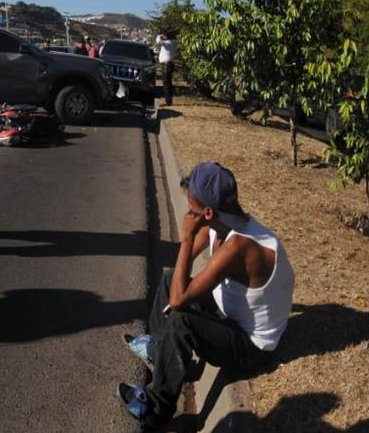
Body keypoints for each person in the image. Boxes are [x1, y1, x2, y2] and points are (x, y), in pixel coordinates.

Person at [117, 162, 295, 428]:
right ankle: (159, 350)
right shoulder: (220, 223)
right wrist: (192, 238)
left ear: (208, 212)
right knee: (171, 279)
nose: (189, 215)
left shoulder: (238, 246)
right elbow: (182, 270)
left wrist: (187, 237)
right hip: (230, 314)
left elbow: (178, 300)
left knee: (181, 319)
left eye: (192, 209)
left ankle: (156, 408)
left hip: (250, 348)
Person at [157, 33, 175, 105]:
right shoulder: (170, 43)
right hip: (169, 64)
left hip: (166, 65)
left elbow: (158, 41)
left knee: (166, 83)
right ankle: (169, 100)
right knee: (168, 83)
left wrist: (159, 36)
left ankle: (167, 101)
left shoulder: (167, 43)